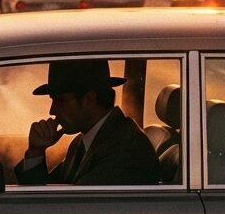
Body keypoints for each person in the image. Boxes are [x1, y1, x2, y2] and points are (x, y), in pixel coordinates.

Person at [14, 58, 159, 186]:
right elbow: (49, 192)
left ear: (89, 99)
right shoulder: (83, 141)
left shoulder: (126, 151)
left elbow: (64, 209)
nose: (52, 111)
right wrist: (36, 151)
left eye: (60, 101)